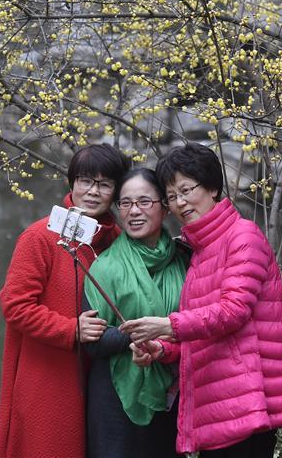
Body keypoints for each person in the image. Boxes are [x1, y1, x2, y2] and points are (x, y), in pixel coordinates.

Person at [119, 143, 282, 457]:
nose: (180, 202)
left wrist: (166, 325)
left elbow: (233, 312)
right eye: (172, 196)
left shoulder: (242, 236)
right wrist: (162, 349)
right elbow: (206, 332)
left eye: (186, 190)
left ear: (213, 187)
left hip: (246, 396)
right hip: (226, 396)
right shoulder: (202, 249)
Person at [0, 143, 131, 458]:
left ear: (116, 192)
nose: (93, 192)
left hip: (103, 380)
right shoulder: (41, 237)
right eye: (85, 181)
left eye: (104, 184)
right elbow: (15, 306)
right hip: (49, 376)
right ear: (72, 183)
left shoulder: (118, 242)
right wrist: (71, 330)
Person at [82, 168, 188, 458]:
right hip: (115, 397)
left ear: (165, 207)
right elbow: (94, 341)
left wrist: (164, 336)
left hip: (175, 391)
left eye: (144, 201)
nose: (134, 211)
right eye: (125, 203)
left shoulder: (184, 259)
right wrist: (141, 335)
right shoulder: (106, 267)